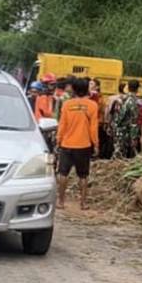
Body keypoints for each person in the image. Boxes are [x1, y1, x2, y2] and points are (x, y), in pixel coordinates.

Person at [55, 78, 100, 210]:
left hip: (67, 144)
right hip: (84, 145)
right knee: (83, 175)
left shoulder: (67, 105)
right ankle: (83, 203)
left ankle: (61, 202)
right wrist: (96, 144)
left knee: (63, 173)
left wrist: (58, 140)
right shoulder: (93, 106)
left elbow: (62, 125)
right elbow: (93, 128)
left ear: (73, 89)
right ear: (87, 89)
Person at [114, 80, 141, 159]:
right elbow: (134, 121)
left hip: (117, 130)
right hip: (125, 132)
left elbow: (115, 114)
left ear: (128, 87)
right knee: (122, 156)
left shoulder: (121, 98)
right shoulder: (133, 101)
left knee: (118, 152)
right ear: (137, 89)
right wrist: (134, 137)